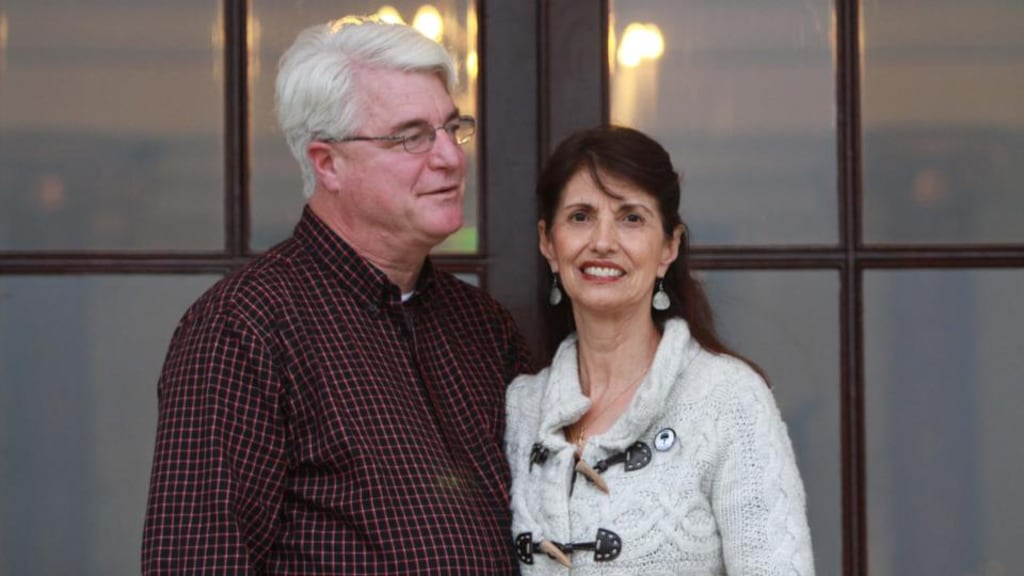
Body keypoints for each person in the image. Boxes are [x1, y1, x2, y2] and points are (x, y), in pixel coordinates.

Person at [142, 16, 532, 574]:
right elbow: (198, 561)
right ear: (329, 164)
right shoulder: (244, 327)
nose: (450, 157)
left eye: (452, 128)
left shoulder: (483, 326)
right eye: (413, 136)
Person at [504, 126, 814, 574]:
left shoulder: (729, 401)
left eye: (631, 217)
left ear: (669, 246)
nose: (603, 241)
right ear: (548, 243)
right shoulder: (521, 408)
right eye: (580, 216)